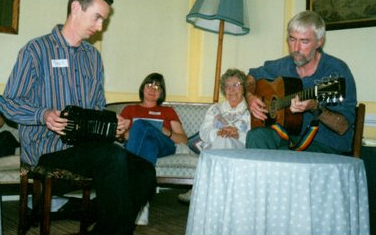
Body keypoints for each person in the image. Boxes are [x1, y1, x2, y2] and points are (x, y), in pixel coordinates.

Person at [0, 0, 156, 235]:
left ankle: (107, 232)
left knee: (145, 170)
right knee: (111, 157)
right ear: (75, 8)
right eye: (97, 17)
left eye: (104, 19)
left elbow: (96, 108)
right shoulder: (36, 50)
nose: (101, 26)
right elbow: (8, 103)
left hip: (86, 146)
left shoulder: (93, 58)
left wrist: (111, 122)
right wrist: (44, 115)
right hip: (47, 149)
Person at [245, 10, 357, 155]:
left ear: (319, 41)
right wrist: (249, 96)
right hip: (288, 138)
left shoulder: (337, 71)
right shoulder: (283, 65)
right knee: (256, 136)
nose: (296, 49)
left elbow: (342, 127)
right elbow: (251, 76)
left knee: (285, 155)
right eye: (292, 40)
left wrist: (315, 108)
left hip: (325, 145)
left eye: (304, 41)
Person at [178, 68, 251, 202]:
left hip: (240, 150)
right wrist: (219, 132)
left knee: (226, 139)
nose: (231, 89)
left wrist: (236, 134)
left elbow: (254, 137)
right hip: (215, 145)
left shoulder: (251, 110)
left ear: (244, 88)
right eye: (227, 86)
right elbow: (204, 132)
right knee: (222, 138)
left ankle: (199, 188)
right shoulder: (215, 109)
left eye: (236, 85)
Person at [119, 72, 187, 165]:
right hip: (140, 144)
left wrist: (166, 132)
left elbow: (183, 140)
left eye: (157, 87)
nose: (152, 89)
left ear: (161, 93)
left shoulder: (168, 111)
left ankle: (129, 171)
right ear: (143, 88)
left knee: (139, 124)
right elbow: (121, 134)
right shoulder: (130, 109)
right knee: (149, 144)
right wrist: (132, 132)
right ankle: (142, 178)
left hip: (163, 145)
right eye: (149, 85)